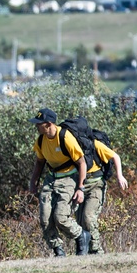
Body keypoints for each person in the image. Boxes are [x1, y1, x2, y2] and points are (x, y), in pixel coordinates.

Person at [28, 108, 92, 256]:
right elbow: (39, 162)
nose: (36, 126)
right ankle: (58, 250)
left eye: (39, 123)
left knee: (60, 217)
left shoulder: (65, 137)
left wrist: (80, 188)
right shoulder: (41, 139)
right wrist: (33, 182)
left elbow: (82, 163)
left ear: (49, 124)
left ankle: (81, 236)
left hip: (70, 178)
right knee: (45, 219)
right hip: (51, 178)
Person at [78, 137, 129, 254]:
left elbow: (115, 156)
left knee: (88, 217)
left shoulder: (94, 144)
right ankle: (84, 251)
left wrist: (120, 176)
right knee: (80, 221)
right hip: (79, 186)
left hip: (96, 184)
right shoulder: (69, 144)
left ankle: (96, 250)